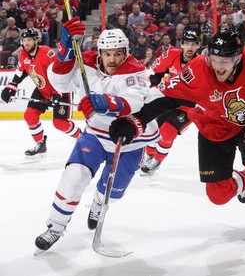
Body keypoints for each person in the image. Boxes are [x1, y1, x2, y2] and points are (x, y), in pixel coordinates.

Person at [108, 29, 245, 249]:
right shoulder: (197, 70)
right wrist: (135, 121)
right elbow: (163, 98)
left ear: (238, 57)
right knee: (218, 196)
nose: (218, 66)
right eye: (214, 59)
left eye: (225, 61)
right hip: (211, 129)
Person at [34, 18, 159, 252]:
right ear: (99, 51)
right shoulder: (87, 63)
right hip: (96, 134)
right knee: (73, 176)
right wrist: (66, 49)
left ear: (126, 53)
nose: (112, 59)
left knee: (112, 191)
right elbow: (59, 83)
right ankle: (55, 226)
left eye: (118, 54)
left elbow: (133, 101)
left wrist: (103, 102)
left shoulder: (136, 71)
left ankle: (100, 203)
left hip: (129, 140)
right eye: (107, 54)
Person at [0, 28, 81, 158]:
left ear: (35, 40)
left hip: (60, 89)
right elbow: (20, 73)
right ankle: (40, 144)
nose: (26, 43)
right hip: (42, 91)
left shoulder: (47, 53)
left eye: (29, 40)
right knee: (30, 116)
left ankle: (81, 138)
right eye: (24, 40)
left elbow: (59, 74)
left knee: (60, 123)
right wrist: (11, 87)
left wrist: (57, 93)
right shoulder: (23, 55)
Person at [140, 30, 199, 175]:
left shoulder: (202, 63)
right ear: (182, 45)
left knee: (167, 132)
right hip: (168, 100)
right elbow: (156, 73)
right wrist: (154, 90)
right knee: (152, 128)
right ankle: (148, 156)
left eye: (193, 44)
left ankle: (157, 161)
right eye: (187, 44)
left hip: (188, 105)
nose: (190, 48)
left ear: (198, 46)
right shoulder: (171, 54)